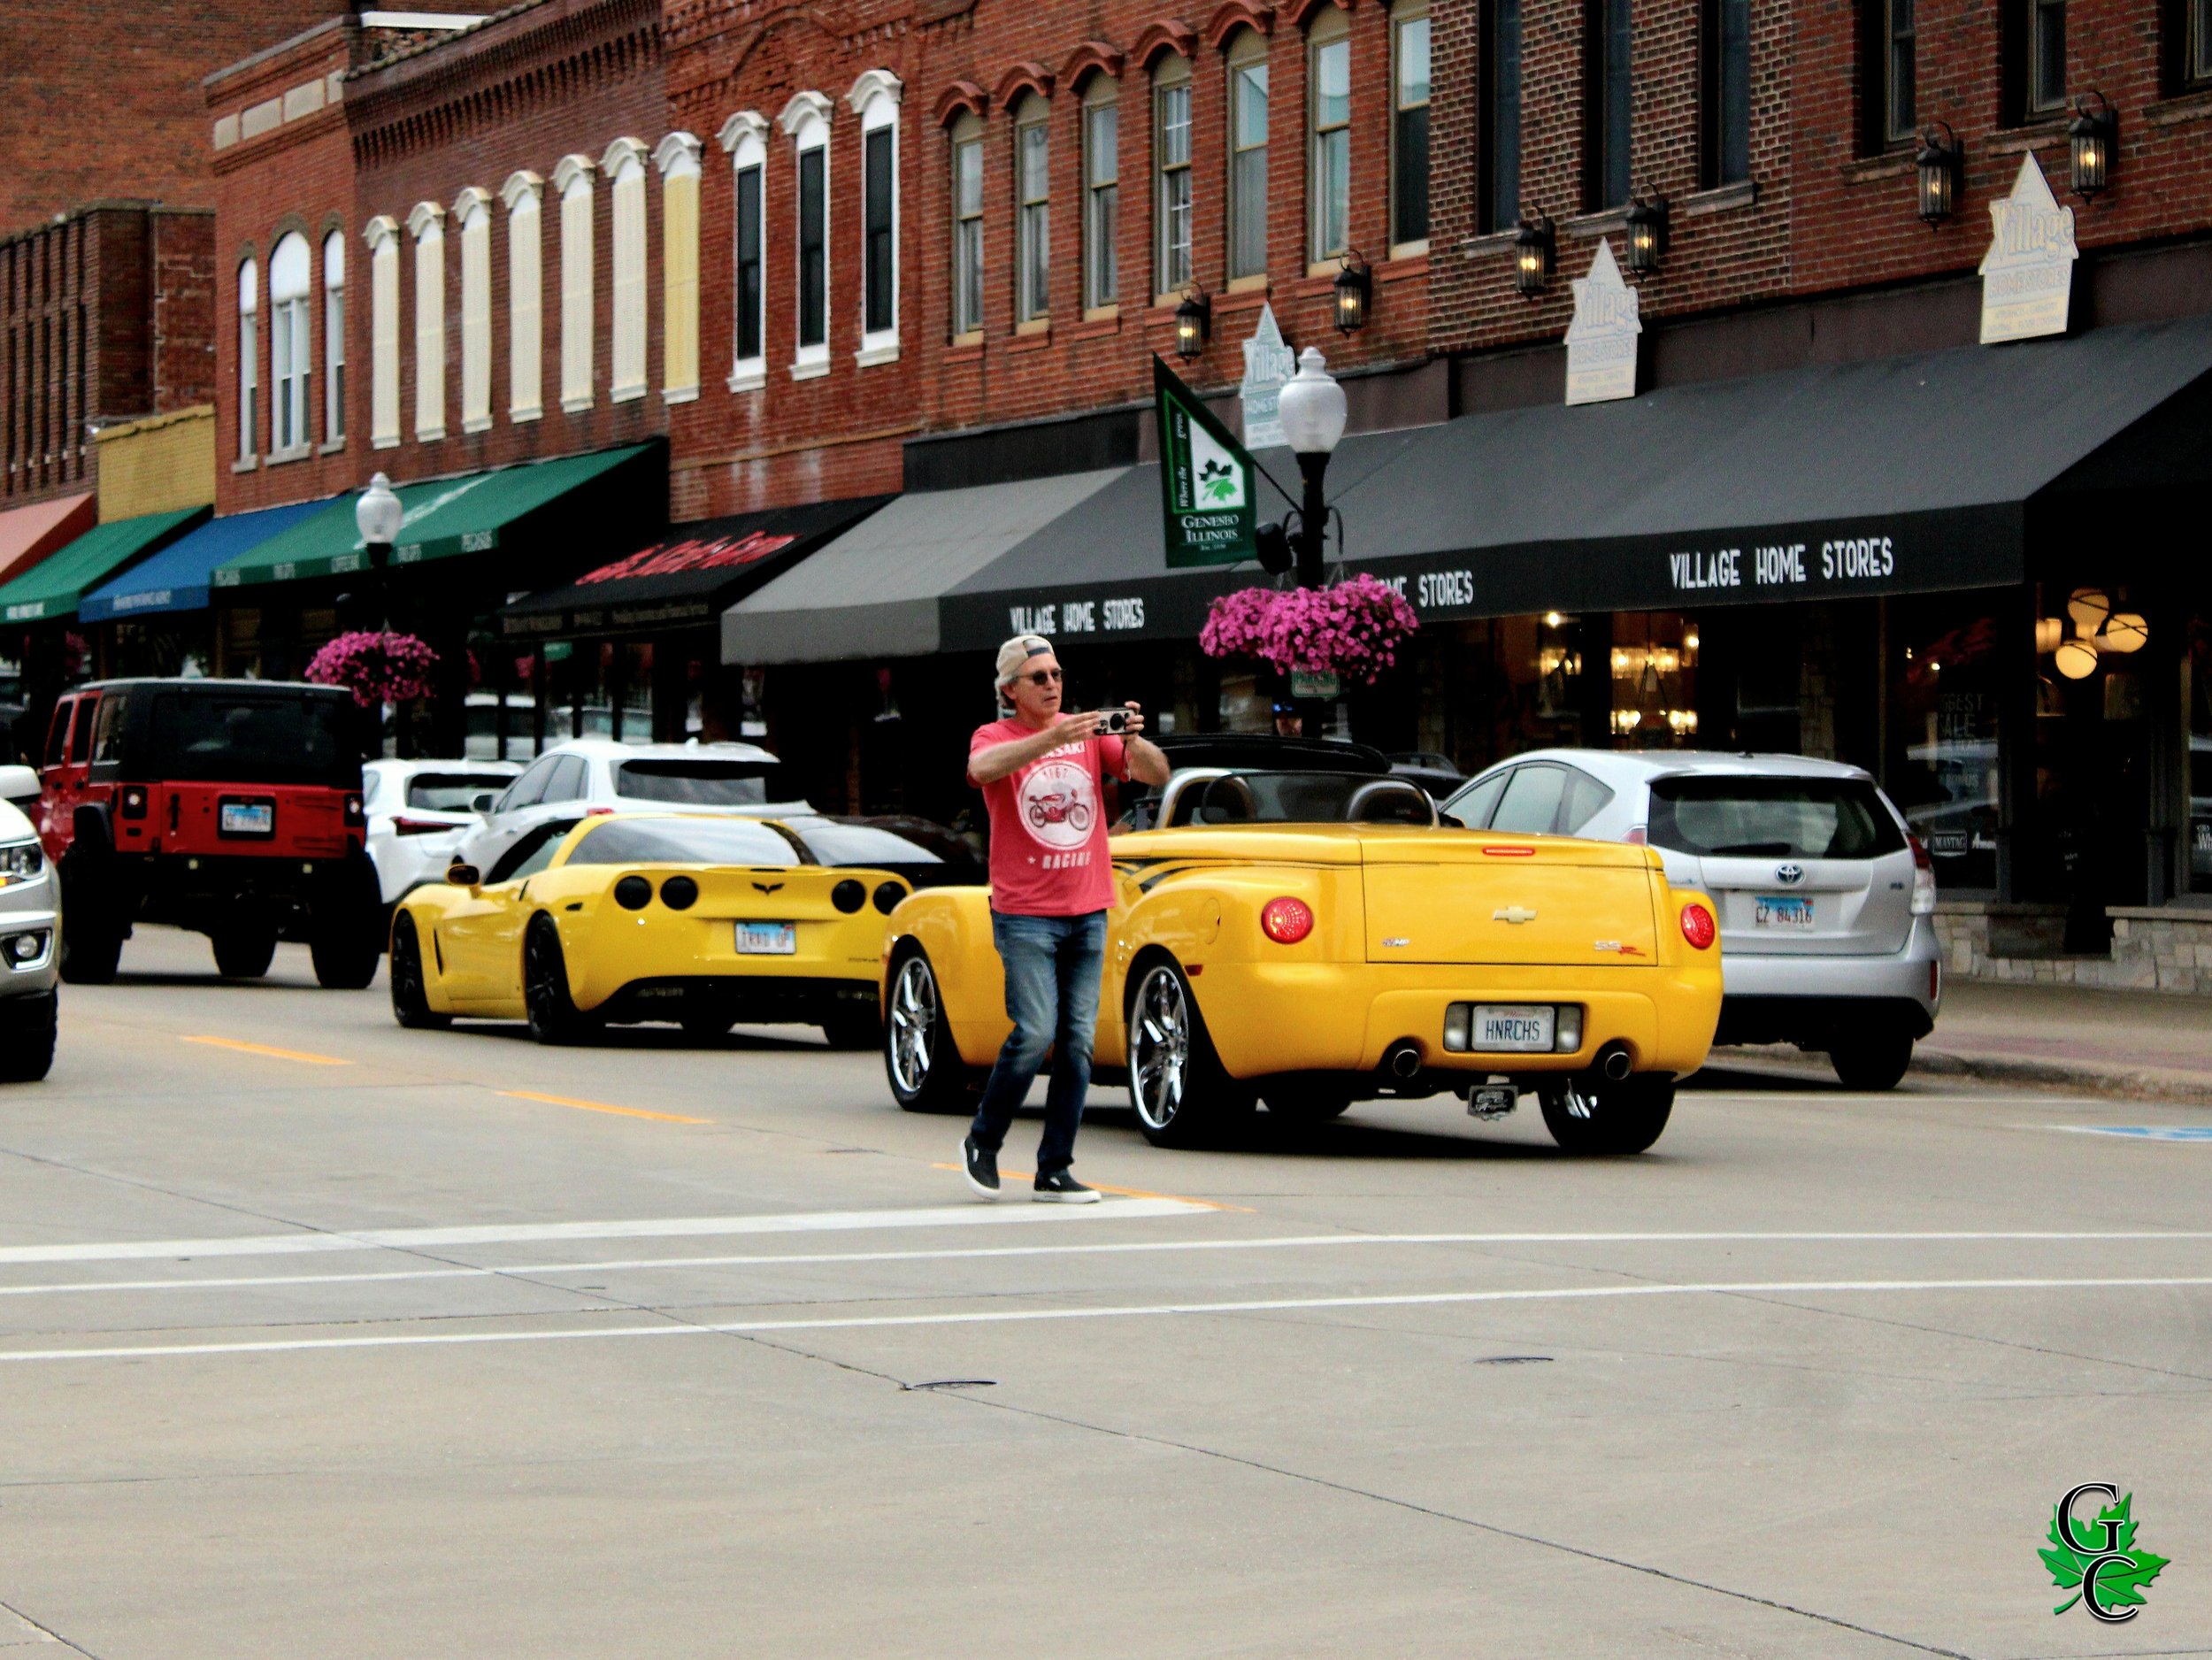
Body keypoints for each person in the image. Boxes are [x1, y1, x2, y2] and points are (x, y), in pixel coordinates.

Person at [961, 634, 1171, 1202]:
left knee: (1078, 1042)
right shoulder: (995, 736)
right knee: (1035, 1032)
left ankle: (1055, 1167)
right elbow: (981, 769)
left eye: (1056, 674)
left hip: (1088, 908)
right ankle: (983, 1141)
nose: (1052, 684)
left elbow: (1156, 773)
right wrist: (1052, 738)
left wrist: (1134, 740)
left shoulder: (1088, 731)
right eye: (1039, 677)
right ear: (1011, 690)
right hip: (1025, 913)